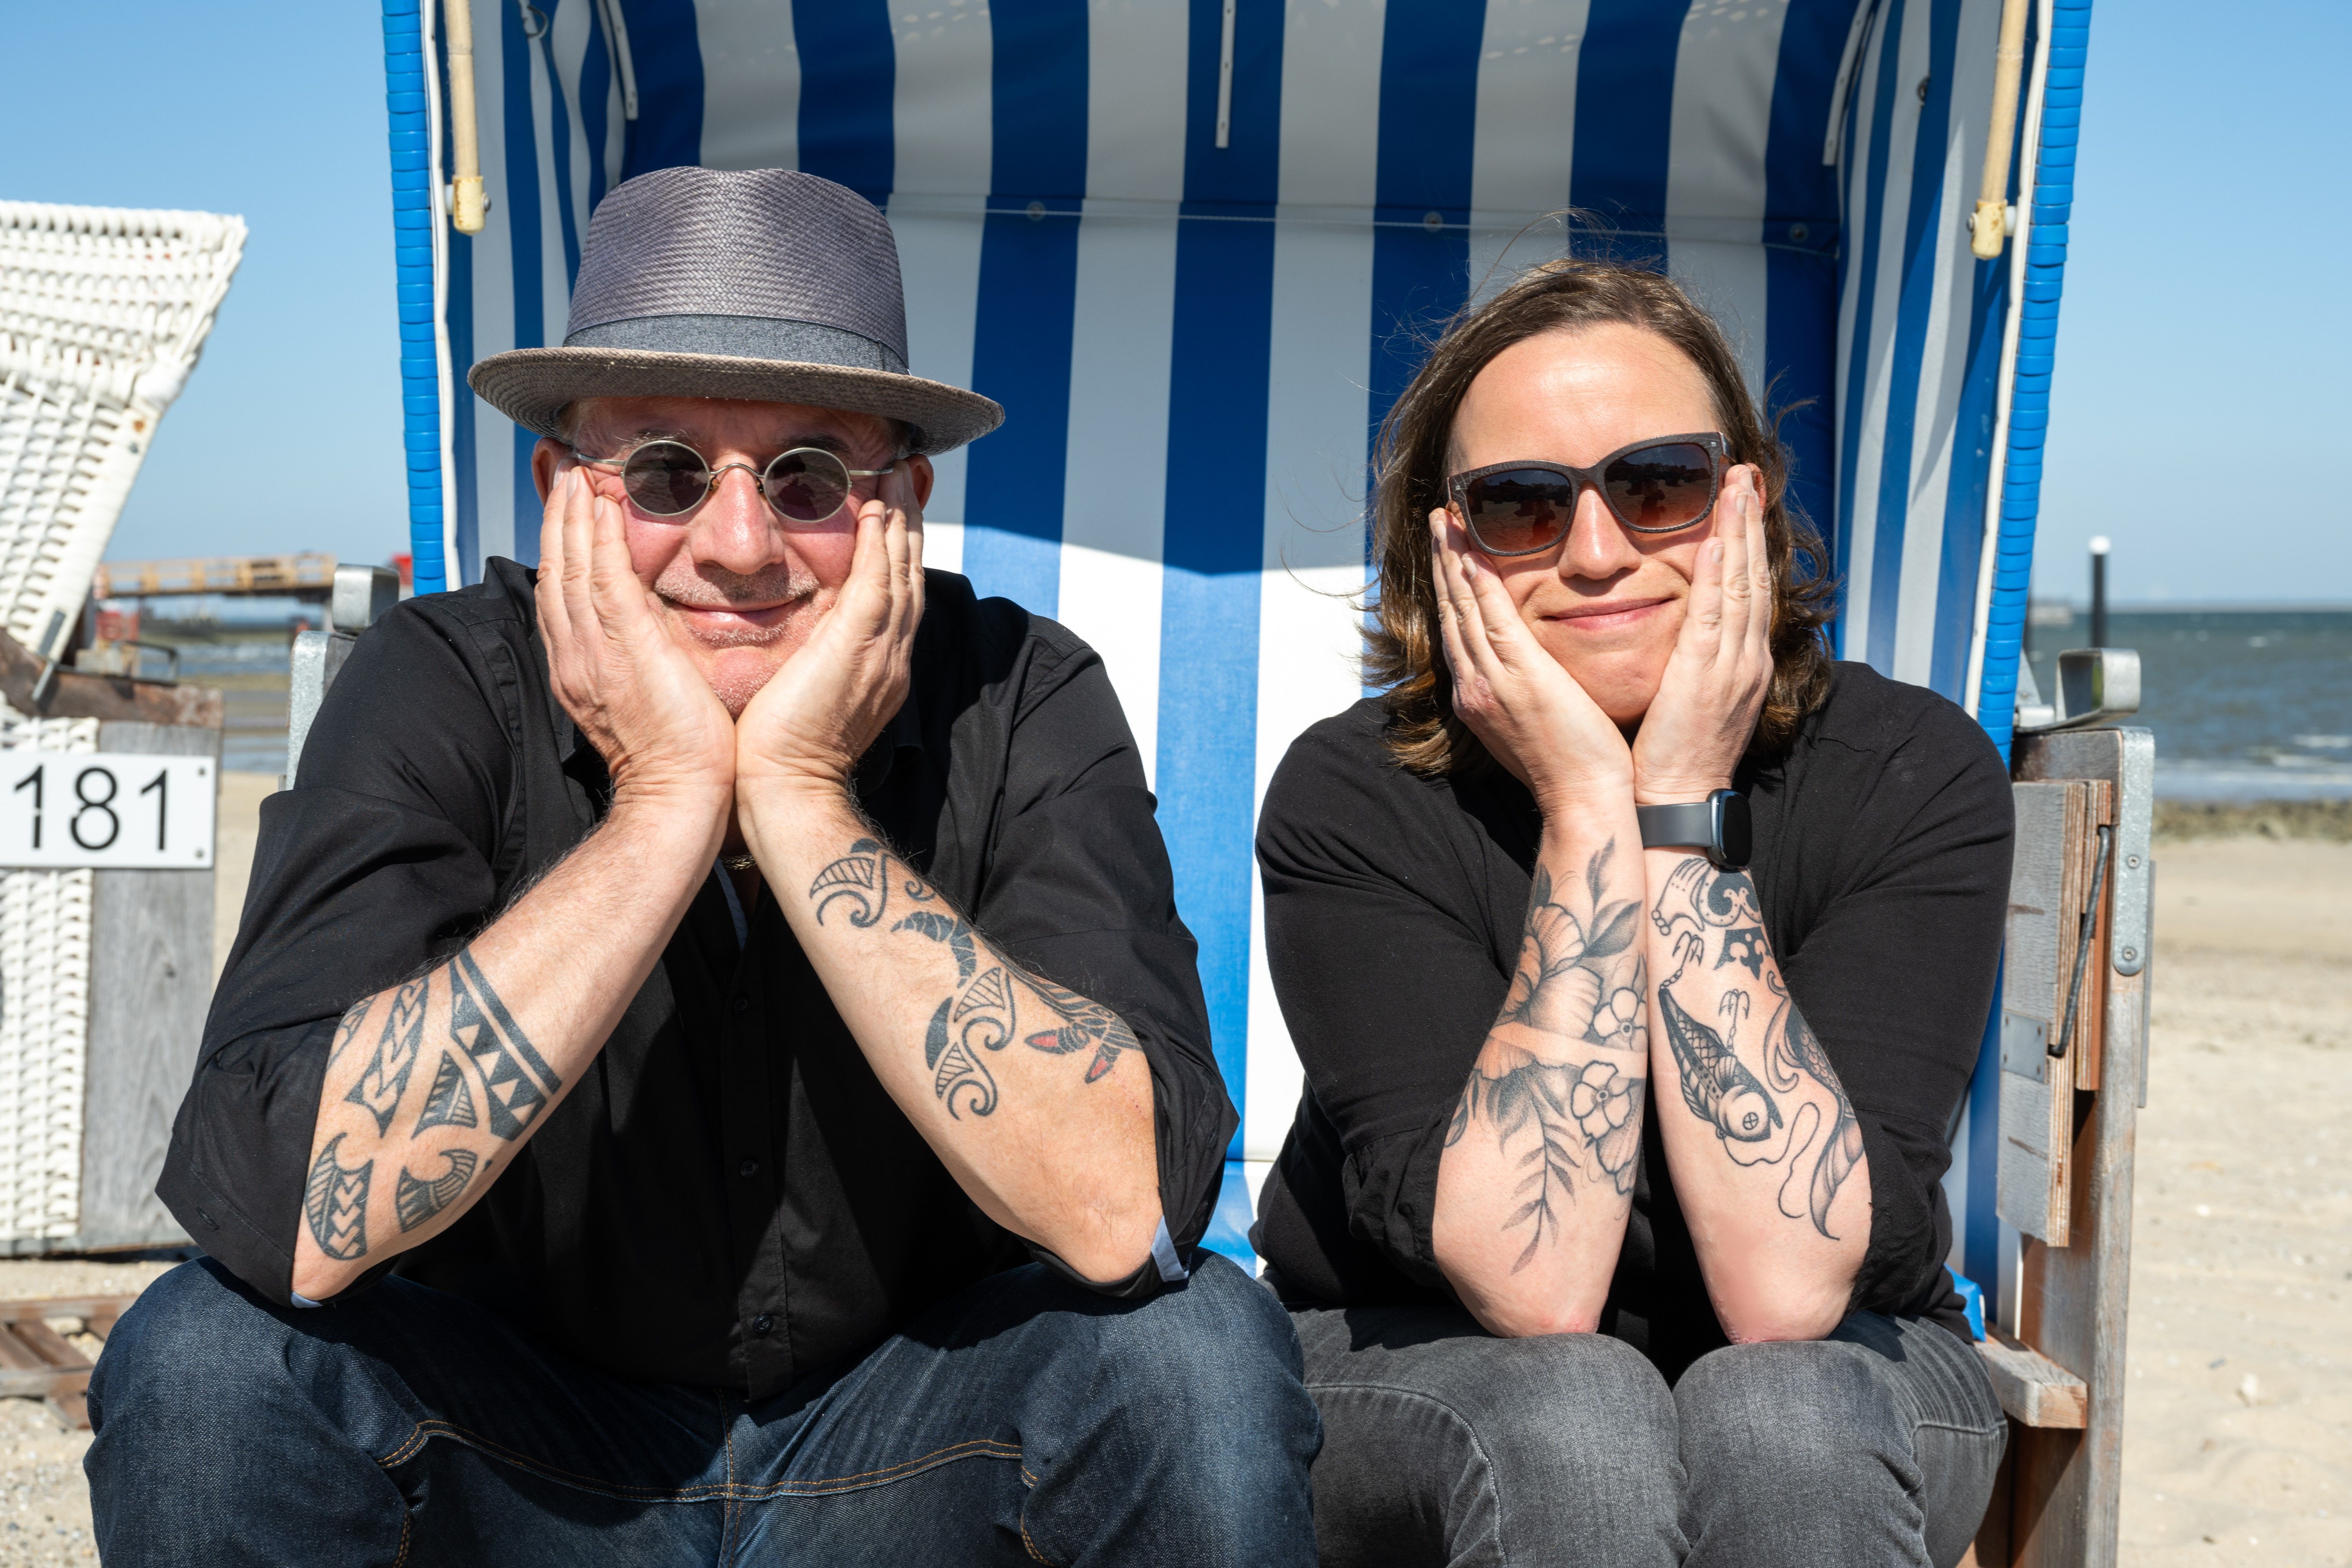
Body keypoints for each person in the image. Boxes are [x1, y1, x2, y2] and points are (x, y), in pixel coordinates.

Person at [87, 166, 1318, 1566]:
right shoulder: (442, 680)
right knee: (207, 1360)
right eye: (668, 473)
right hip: (529, 1465)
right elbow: (288, 1213)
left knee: (1197, 1357)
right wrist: (667, 801)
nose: (739, 549)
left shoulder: (1018, 690)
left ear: (903, 503)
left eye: (811, 478)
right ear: (562, 491)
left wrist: (798, 793)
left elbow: (1122, 1214)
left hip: (910, 1451)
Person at [1251, 258, 2013, 1568]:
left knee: (1782, 1418)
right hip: (1422, 1354)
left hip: (1850, 1372)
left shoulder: (1908, 768)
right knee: (1574, 1416)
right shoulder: (1355, 793)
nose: (1597, 554)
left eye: (1657, 485)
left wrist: (1678, 804)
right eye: (1523, 506)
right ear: (1451, 547)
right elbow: (1533, 1287)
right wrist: (1585, 806)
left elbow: (1788, 1291)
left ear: (1744, 504)